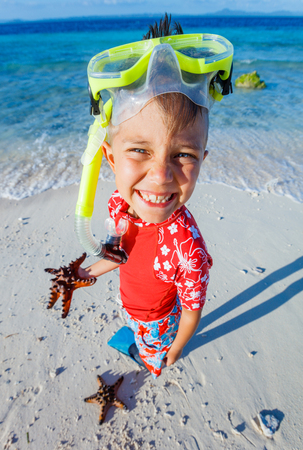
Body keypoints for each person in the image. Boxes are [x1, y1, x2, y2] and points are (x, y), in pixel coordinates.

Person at [75, 15, 233, 378]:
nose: (161, 177)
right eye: (140, 150)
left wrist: (175, 349)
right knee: (130, 322)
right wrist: (86, 272)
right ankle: (135, 334)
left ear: (202, 159)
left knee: (152, 354)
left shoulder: (187, 250)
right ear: (110, 159)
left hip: (161, 323)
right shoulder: (120, 203)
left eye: (183, 154)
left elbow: (192, 309)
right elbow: (120, 253)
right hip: (130, 305)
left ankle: (150, 359)